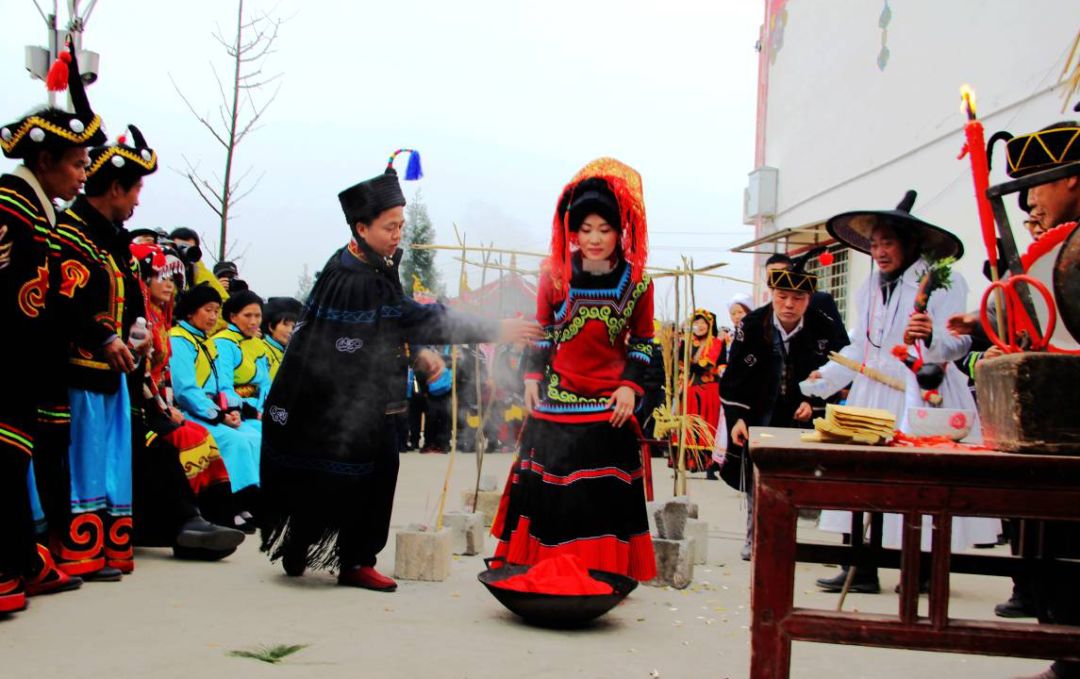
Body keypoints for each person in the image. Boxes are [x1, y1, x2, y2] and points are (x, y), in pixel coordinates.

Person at [258, 149, 540, 591]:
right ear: (361, 227)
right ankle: (334, 553)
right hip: (338, 396)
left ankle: (338, 553)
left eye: (401, 226)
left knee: (362, 471)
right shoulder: (355, 276)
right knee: (340, 472)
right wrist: (493, 327)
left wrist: (415, 354)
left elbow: (386, 327)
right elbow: (412, 317)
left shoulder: (369, 262)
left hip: (363, 391)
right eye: (389, 227)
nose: (397, 235)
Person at [807, 190, 999, 595]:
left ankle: (923, 568)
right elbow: (862, 345)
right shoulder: (870, 287)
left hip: (922, 390)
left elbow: (957, 343)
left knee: (922, 482)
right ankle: (861, 566)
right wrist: (821, 380)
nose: (878, 252)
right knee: (861, 478)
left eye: (887, 243)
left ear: (910, 244)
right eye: (874, 244)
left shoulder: (943, 281)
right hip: (873, 392)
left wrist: (930, 338)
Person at [491, 157, 657, 581]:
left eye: (604, 229)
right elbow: (544, 332)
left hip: (608, 408)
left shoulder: (638, 281)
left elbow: (642, 342)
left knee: (599, 499)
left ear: (621, 231)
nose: (595, 239)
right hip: (557, 404)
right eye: (585, 230)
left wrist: (630, 389)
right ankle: (548, 572)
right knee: (552, 497)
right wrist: (531, 376)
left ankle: (602, 576)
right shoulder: (555, 275)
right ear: (572, 231)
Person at [0, 42, 106, 611]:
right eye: (77, 163)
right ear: (45, 162)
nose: (83, 174)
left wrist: (102, 335)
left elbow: (52, 304)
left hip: (26, 368)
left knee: (15, 463)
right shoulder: (10, 209)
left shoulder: (36, 211)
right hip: (10, 365)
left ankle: (23, 563)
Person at [44, 124, 162, 581]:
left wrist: (138, 335)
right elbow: (61, 301)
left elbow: (132, 306)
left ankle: (106, 549)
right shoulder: (69, 234)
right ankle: (77, 552)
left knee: (113, 463)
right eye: (135, 191)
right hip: (76, 375)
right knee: (82, 463)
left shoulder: (115, 245)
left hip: (114, 376)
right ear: (114, 187)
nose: (137, 202)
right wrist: (102, 338)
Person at [720, 253, 849, 560]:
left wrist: (815, 401)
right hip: (759, 411)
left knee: (795, 479)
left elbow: (841, 366)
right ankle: (754, 538)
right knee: (758, 476)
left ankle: (787, 540)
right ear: (772, 295)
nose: (789, 304)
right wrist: (737, 418)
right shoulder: (752, 325)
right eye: (782, 296)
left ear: (809, 299)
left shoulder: (824, 326)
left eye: (798, 297)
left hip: (800, 412)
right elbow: (735, 375)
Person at [129, 243, 243, 559]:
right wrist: (174, 411)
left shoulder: (161, 323)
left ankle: (216, 519)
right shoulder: (147, 322)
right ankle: (189, 523)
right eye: (160, 277)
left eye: (173, 280)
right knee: (186, 441)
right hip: (138, 407)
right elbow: (150, 378)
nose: (169, 285)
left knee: (208, 439)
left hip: (161, 406)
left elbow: (161, 378)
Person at [169, 284, 262, 533]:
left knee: (253, 436)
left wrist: (231, 410)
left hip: (212, 410)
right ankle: (228, 505)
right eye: (207, 310)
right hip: (190, 412)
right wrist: (217, 415)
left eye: (215, 311)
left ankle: (247, 501)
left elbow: (222, 387)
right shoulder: (179, 340)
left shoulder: (205, 342)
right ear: (190, 312)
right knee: (235, 441)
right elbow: (186, 391)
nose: (212, 317)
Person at [672, 308, 724, 476]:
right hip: (687, 389)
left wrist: (687, 365)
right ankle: (685, 463)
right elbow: (678, 362)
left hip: (708, 391)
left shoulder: (715, 343)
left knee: (708, 426)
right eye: (696, 322)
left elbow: (705, 366)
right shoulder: (686, 342)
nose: (699, 326)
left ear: (709, 325)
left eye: (703, 323)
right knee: (686, 426)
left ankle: (709, 466)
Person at [212, 290, 271, 431]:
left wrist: (263, 410)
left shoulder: (258, 344)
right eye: (248, 315)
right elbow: (224, 386)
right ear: (233, 317)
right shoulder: (223, 342)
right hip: (237, 411)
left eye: (258, 316)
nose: (254, 321)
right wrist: (251, 412)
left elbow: (266, 384)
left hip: (259, 408)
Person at [261, 296, 302, 381]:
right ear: (271, 326)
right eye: (285, 324)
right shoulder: (260, 351)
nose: (290, 330)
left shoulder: (290, 354)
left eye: (294, 327)